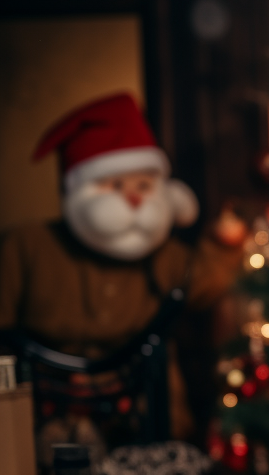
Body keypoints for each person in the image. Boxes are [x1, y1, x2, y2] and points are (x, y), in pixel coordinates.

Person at [0, 92, 244, 454]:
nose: (133, 200)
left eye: (144, 187)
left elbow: (204, 286)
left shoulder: (166, 255)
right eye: (115, 186)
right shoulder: (27, 246)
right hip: (46, 401)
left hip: (142, 410)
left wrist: (223, 244)